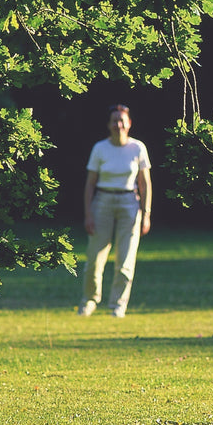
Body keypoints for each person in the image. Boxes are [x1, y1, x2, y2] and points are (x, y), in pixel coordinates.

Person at [78, 104, 152, 318]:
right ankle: (89, 301)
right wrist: (88, 213)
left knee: (125, 260)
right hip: (102, 202)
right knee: (94, 259)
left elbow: (145, 183)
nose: (118, 124)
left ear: (129, 124)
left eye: (122, 120)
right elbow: (90, 183)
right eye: (114, 121)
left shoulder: (138, 148)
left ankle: (118, 305)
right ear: (109, 125)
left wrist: (145, 213)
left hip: (130, 203)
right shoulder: (100, 148)